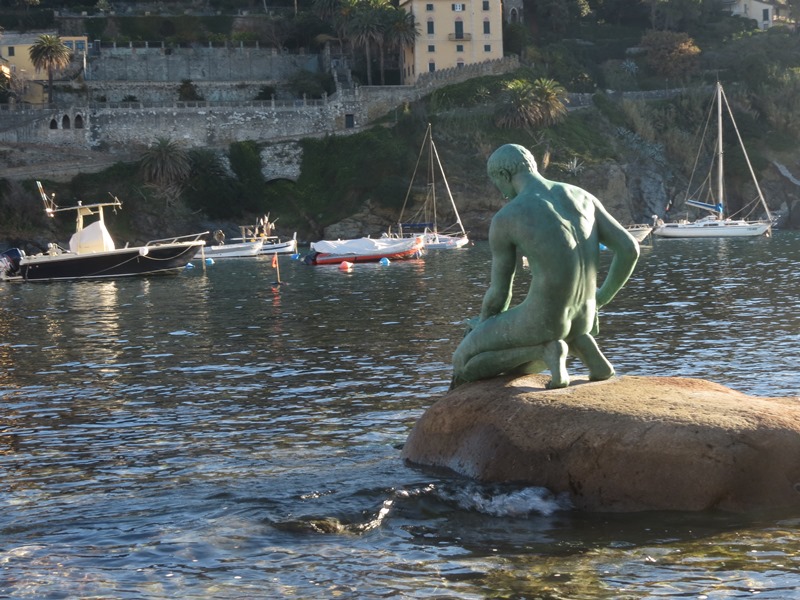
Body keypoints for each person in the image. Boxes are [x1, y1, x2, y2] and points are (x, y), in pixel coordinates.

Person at [450, 144, 639, 389]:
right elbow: (629, 249)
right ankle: (581, 345)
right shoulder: (582, 196)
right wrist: (600, 299)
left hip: (543, 321)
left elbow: (499, 295)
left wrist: (483, 326)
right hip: (585, 316)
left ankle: (546, 351)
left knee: (463, 362)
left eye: (496, 183)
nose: (500, 191)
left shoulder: (507, 217)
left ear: (504, 176)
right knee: (532, 340)